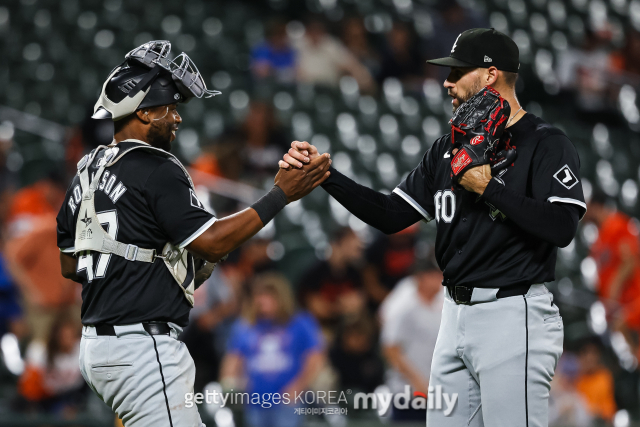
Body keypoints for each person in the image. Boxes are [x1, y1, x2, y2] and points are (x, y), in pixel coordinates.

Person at [281, 28, 586, 426]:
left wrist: (488, 188)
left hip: (512, 314)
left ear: (490, 75)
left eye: (457, 72)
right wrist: (327, 176)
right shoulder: (447, 149)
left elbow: (562, 226)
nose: (447, 82)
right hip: (454, 314)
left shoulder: (544, 142)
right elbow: (391, 214)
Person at [56, 41, 331, 427]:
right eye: (169, 107)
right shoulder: (157, 167)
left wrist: (135, 259)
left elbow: (70, 265)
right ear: (145, 112)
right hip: (142, 347)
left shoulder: (87, 170)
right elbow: (213, 241)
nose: (176, 118)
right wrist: (280, 195)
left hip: (97, 347)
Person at [220, 273, 324, 427]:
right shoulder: (246, 325)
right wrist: (229, 384)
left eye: (267, 295)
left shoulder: (301, 322)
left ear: (281, 297)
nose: (261, 300)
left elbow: (315, 359)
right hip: (255, 401)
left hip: (287, 401)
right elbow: (233, 358)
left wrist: (298, 387)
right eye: (259, 295)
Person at [380, 258, 444, 422]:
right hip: (407, 393)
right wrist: (418, 382)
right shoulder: (404, 307)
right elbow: (390, 349)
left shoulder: (442, 304)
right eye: (435, 275)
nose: (440, 279)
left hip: (438, 392)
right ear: (421, 278)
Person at [585, 190, 640, 352]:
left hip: (634, 302)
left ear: (595, 206)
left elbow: (630, 261)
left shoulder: (618, 224)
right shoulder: (597, 241)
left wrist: (613, 288)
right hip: (622, 313)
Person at [297, 227, 367, 339]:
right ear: (340, 243)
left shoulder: (355, 273)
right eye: (352, 241)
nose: (358, 245)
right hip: (320, 329)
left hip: (347, 329)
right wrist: (341, 305)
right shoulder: (315, 273)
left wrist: (333, 306)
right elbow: (317, 310)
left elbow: (358, 304)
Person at [293, 18, 375, 92]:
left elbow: (352, 65)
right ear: (307, 31)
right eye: (312, 30)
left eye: (318, 30)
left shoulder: (331, 44)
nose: (315, 34)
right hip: (305, 89)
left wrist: (365, 79)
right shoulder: (298, 44)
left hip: (329, 90)